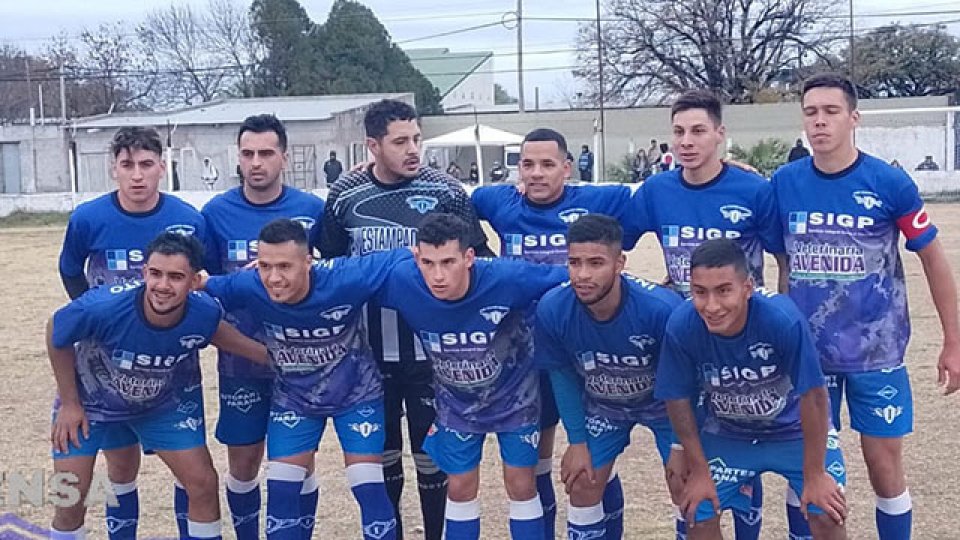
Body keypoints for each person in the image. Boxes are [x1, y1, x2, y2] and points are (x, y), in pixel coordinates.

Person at [772, 72, 960, 540]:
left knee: (884, 469)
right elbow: (780, 262)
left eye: (831, 112)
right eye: (811, 112)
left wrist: (954, 342)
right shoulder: (784, 184)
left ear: (853, 118)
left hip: (877, 354)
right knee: (808, 473)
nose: (820, 122)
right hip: (809, 359)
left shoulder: (888, 182)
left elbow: (933, 259)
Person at [319, 99, 492, 540]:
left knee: (434, 456)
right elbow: (332, 268)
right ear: (372, 145)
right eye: (400, 142)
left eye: (416, 138)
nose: (413, 149)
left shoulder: (448, 192)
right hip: (368, 355)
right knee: (383, 456)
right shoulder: (344, 195)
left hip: (432, 354)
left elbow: (480, 261)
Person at [628, 89, 790, 539]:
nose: (686, 141)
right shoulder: (656, 191)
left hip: (742, 343)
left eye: (698, 131)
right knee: (684, 461)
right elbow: (611, 234)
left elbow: (783, 258)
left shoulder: (754, 190)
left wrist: (781, 321)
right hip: (684, 344)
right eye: (678, 132)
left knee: (743, 450)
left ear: (720, 134)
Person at [471, 127, 641, 538]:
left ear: (567, 168)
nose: (537, 173)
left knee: (594, 466)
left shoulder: (597, 200)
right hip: (526, 359)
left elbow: (658, 193)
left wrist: (726, 168)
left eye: (548, 164)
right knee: (535, 465)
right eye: (527, 164)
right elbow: (454, 199)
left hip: (585, 355)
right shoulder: (498, 203)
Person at [48, 232, 269, 540]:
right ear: (144, 273)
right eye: (155, 274)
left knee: (203, 483)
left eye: (176, 277)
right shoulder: (103, 306)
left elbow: (221, 335)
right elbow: (56, 332)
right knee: (70, 498)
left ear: (194, 282)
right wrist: (71, 403)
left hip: (158, 406)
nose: (163, 286)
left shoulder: (203, 312)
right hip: (91, 403)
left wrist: (277, 359)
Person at [204, 219, 408, 540]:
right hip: (294, 400)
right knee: (282, 490)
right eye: (266, 266)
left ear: (309, 261)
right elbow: (200, 286)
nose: (274, 278)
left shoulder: (346, 277)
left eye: (285, 266)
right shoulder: (248, 284)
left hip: (357, 396)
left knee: (366, 484)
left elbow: (408, 255)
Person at [376, 213, 569, 539]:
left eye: (448, 262)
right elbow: (341, 280)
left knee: (521, 483)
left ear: (469, 258)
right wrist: (259, 280)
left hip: (516, 402)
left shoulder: (509, 277)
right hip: (457, 406)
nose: (437, 275)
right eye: (428, 262)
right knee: (460, 486)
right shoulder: (402, 281)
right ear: (416, 257)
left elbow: (571, 281)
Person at [57, 126, 207, 540]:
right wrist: (98, 316)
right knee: (119, 468)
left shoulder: (188, 220)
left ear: (162, 167)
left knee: (193, 475)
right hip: (102, 371)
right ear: (114, 170)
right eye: (127, 165)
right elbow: (70, 271)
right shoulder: (88, 219)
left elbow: (202, 282)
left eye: (146, 165)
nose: (137, 175)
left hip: (171, 373)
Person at [655, 239, 848, 540]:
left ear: (748, 287)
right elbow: (677, 398)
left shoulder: (782, 319)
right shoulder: (681, 325)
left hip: (794, 431)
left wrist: (814, 474)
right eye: (699, 292)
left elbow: (814, 395)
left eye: (723, 290)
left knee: (827, 513)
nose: (711, 306)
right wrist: (695, 465)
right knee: (698, 511)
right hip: (728, 432)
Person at [201, 114, 325, 540]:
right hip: (241, 361)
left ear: (284, 158)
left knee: (297, 460)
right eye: (248, 153)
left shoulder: (311, 211)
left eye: (266, 153)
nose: (256, 162)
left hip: (303, 361)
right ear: (239, 157)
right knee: (243, 462)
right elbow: (205, 288)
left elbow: (329, 277)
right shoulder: (215, 214)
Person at [534, 214, 685, 538]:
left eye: (596, 263)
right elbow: (562, 377)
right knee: (582, 482)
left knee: (685, 484)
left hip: (664, 409)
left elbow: (685, 384)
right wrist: (576, 441)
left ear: (620, 264)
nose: (583, 275)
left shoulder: (661, 310)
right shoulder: (553, 309)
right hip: (605, 407)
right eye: (574, 262)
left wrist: (680, 446)